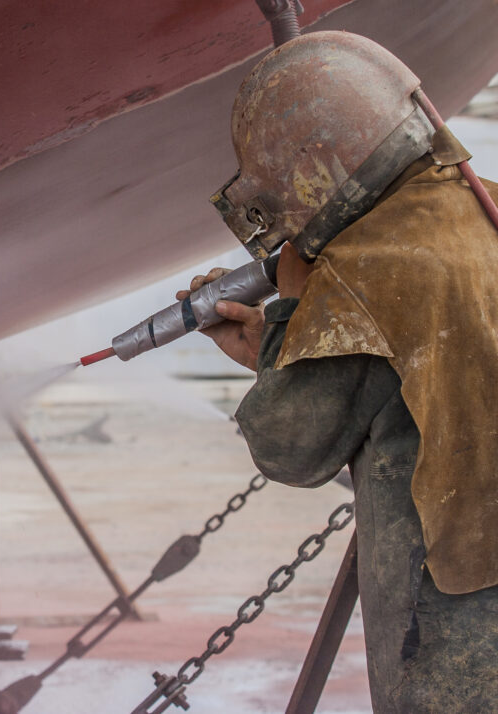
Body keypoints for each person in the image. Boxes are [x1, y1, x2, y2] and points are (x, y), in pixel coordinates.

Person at [187, 31, 498, 712]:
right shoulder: (484, 208)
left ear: (311, 167)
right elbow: (408, 371)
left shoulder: (362, 274)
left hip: (457, 610)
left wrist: (293, 304)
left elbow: (290, 448)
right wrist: (278, 345)